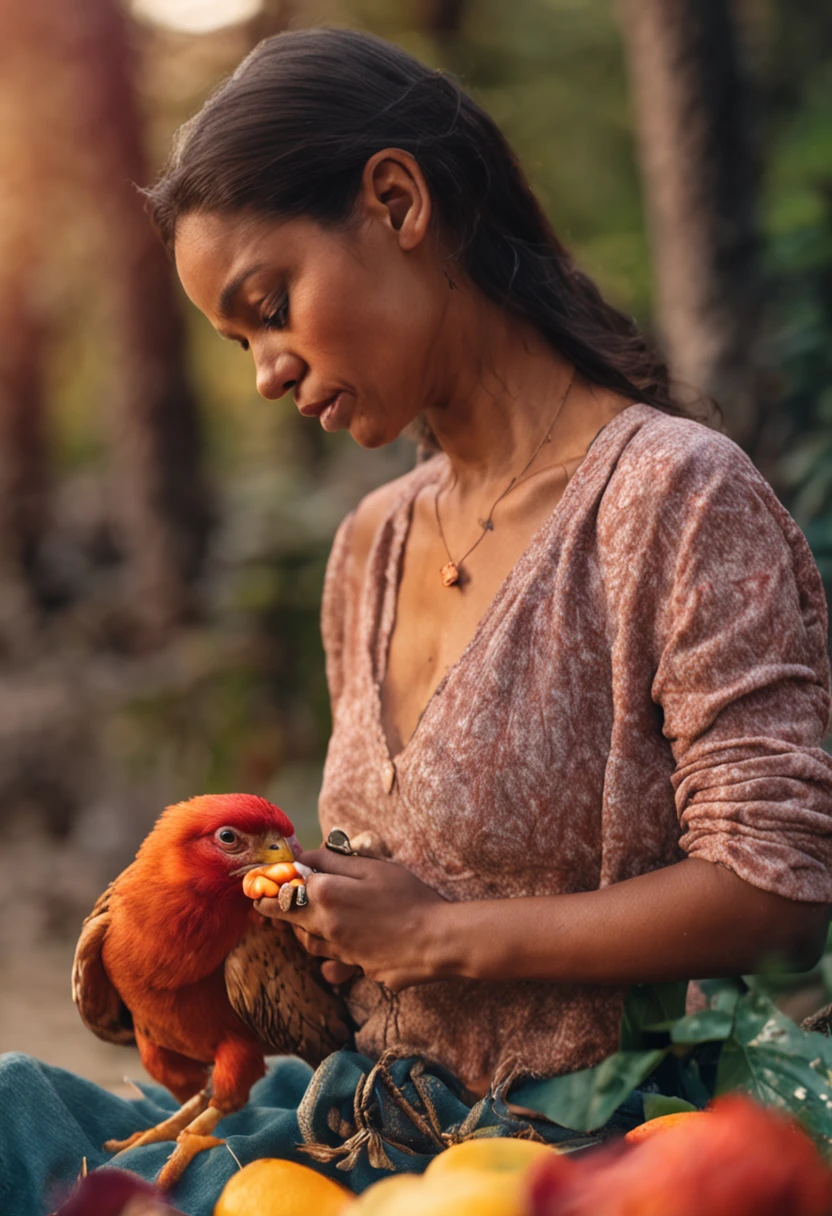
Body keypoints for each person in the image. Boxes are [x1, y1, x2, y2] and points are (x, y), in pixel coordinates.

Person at [1, 26, 830, 1215]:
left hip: (555, 1150)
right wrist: (305, 916)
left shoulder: (671, 499)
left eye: (269, 305)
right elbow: (390, 918)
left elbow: (777, 885)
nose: (264, 375)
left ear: (396, 200)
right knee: (13, 1106)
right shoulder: (369, 549)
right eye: (239, 344)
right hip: (340, 1119)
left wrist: (443, 937)